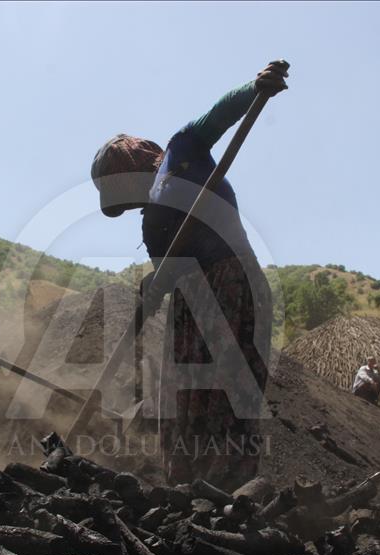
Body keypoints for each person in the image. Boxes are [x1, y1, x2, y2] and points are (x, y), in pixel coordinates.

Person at [90, 61, 288, 491]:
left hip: (230, 280)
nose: (127, 202)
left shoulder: (181, 153)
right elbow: (163, 276)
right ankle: (186, 492)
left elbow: (215, 117)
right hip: (188, 304)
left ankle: (229, 494)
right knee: (181, 398)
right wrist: (150, 290)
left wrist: (255, 88)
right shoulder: (152, 219)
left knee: (227, 391)